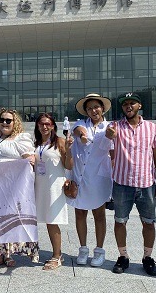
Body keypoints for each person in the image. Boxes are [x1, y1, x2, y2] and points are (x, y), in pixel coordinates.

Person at [104, 93, 156, 276]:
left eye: (132, 103)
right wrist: (109, 136)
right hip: (122, 184)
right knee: (120, 221)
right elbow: (108, 145)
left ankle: (147, 257)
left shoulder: (152, 128)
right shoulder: (115, 127)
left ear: (139, 105)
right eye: (125, 104)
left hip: (146, 183)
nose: (128, 106)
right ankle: (123, 256)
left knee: (149, 223)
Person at [0, 95, 39, 269]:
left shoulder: (21, 138)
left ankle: (7, 254)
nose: (4, 123)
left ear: (15, 122)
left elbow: (30, 159)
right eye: (2, 119)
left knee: (7, 221)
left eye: (8, 121)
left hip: (9, 189)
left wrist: (30, 162)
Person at [67, 93, 113, 267]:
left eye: (96, 107)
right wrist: (83, 135)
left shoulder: (108, 127)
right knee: (80, 212)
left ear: (102, 108)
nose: (93, 110)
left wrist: (110, 136)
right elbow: (78, 131)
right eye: (90, 108)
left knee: (99, 214)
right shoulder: (80, 123)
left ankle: (99, 250)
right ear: (86, 111)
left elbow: (112, 150)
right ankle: (83, 248)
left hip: (99, 176)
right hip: (80, 174)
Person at [34, 113, 73, 270]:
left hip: (54, 187)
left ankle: (57, 256)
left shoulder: (60, 142)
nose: (45, 127)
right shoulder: (36, 143)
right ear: (37, 126)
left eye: (48, 124)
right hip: (39, 186)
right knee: (41, 219)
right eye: (42, 124)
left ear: (53, 126)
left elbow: (69, 166)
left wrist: (69, 150)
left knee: (52, 221)